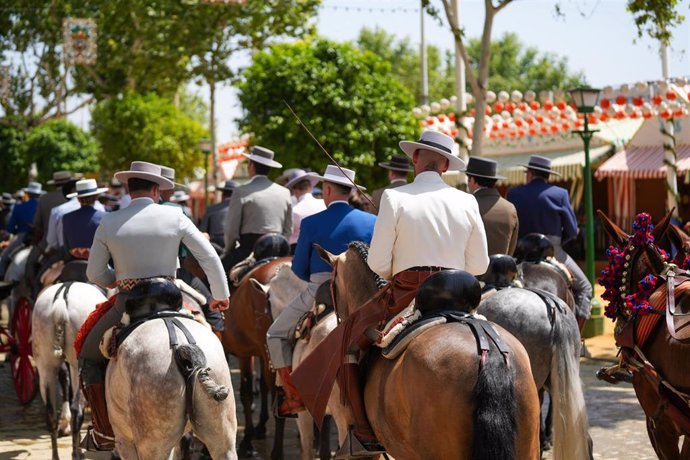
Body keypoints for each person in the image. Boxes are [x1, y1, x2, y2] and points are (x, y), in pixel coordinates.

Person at [293, 130, 489, 458]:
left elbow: (379, 265)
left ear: (415, 160)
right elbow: (480, 264)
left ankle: (363, 432)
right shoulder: (467, 200)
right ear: (444, 165)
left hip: (409, 294)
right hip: (462, 293)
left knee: (348, 345)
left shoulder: (395, 199)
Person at [79, 161, 230, 451]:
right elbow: (209, 257)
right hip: (173, 296)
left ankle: (103, 429)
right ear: (156, 189)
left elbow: (94, 274)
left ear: (128, 188)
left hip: (127, 301)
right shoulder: (175, 216)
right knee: (211, 337)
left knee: (87, 354)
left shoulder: (110, 221)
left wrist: (119, 280)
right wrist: (219, 295)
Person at [266, 165, 375, 418]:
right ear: (350, 191)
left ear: (326, 189)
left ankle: (292, 394)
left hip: (320, 289)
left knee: (275, 333)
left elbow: (300, 269)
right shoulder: (372, 220)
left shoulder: (312, 222)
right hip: (363, 294)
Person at [506, 154, 592, 331]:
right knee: (585, 288)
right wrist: (560, 242)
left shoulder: (514, 193)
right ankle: (577, 339)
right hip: (553, 251)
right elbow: (571, 229)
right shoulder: (560, 194)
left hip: (521, 252)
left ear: (529, 173)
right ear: (548, 176)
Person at [222, 146, 292, 270]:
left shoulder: (240, 191)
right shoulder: (285, 192)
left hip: (249, 250)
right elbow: (288, 229)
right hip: (278, 250)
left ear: (252, 166)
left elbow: (231, 230)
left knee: (211, 278)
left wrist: (228, 250)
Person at [465, 157, 519, 256]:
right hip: (501, 269)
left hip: (472, 270)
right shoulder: (510, 208)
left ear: (472, 180)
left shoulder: (466, 205)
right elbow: (512, 247)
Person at [0, 182, 44, 278]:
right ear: (40, 194)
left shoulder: (19, 207)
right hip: (42, 238)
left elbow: (10, 229)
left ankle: (2, 279)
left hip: (23, 237)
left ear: (27, 193)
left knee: (4, 258)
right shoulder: (44, 206)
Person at [284, 169, 325, 253]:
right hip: (323, 249)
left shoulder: (295, 211)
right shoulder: (324, 205)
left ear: (295, 191)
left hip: (298, 250)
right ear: (310, 187)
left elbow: (288, 235)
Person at [199, 180, 239, 251]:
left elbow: (202, 232)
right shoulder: (240, 210)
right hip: (235, 247)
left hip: (215, 247)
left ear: (223, 195)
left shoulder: (211, 209)